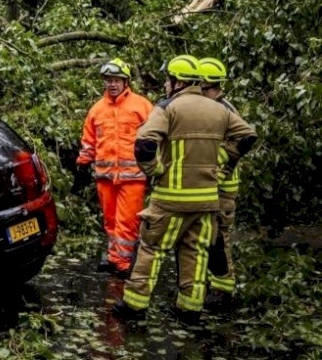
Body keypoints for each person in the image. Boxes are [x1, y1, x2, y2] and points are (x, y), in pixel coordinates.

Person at [112, 55, 257, 326]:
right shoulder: (220, 110)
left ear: (177, 81)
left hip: (170, 198)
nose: (165, 84)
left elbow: (144, 144)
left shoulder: (168, 108)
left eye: (168, 79)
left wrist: (155, 170)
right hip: (206, 201)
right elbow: (248, 135)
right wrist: (222, 161)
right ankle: (189, 310)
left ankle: (134, 305)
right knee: (195, 252)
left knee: (151, 248)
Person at [76, 58, 154, 278]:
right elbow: (89, 140)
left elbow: (155, 136)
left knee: (127, 223)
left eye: (116, 80)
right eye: (108, 80)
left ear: (125, 81)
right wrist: (82, 162)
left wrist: (155, 166)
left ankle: (123, 262)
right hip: (105, 177)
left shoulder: (142, 106)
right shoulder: (97, 109)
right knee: (110, 221)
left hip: (133, 177)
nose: (112, 84)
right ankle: (114, 257)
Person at [197, 57, 245, 312]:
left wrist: (219, 165)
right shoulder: (210, 108)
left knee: (218, 238)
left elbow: (241, 142)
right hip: (209, 184)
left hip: (223, 187)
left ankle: (223, 290)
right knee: (206, 237)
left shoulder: (225, 111)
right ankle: (208, 285)